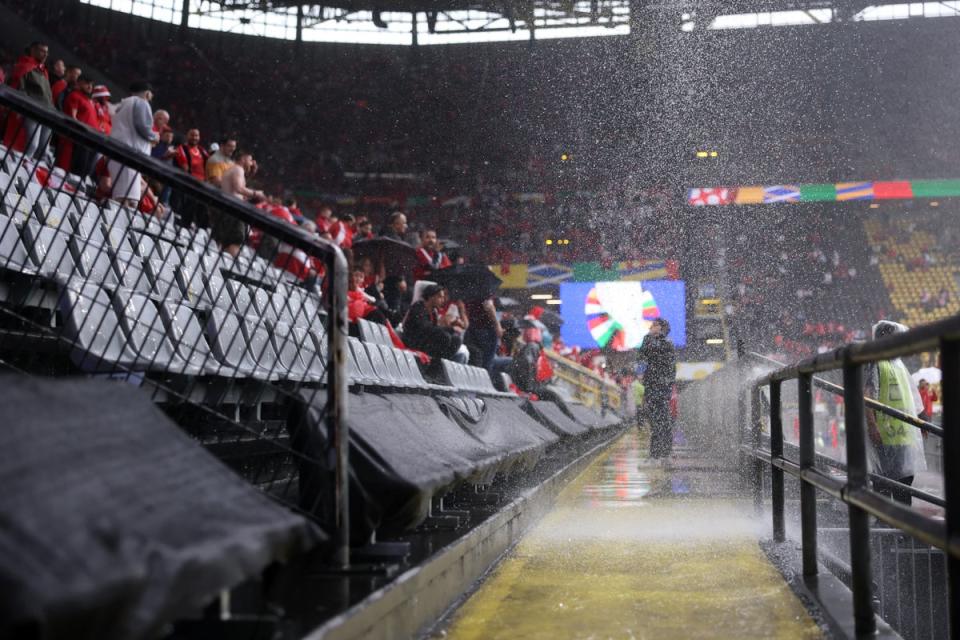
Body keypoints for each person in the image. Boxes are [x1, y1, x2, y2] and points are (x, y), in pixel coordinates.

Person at [864, 321, 926, 506]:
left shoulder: (898, 364)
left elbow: (911, 398)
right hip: (884, 435)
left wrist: (920, 421)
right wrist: (872, 426)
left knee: (904, 483)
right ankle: (884, 528)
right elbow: (867, 395)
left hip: (903, 435)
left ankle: (901, 529)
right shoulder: (876, 361)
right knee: (884, 484)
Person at [108, 82, 158, 208]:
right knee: (129, 200)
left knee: (120, 195)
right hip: (130, 155)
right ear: (147, 93)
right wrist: (154, 136)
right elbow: (142, 126)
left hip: (117, 151)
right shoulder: (141, 103)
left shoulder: (123, 103)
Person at [3, 42, 54, 160]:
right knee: (31, 145)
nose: (45, 55)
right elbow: (17, 87)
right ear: (33, 50)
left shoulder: (43, 71)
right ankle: (18, 168)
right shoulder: (25, 66)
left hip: (44, 112)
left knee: (42, 149)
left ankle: (28, 170)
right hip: (31, 110)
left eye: (47, 52)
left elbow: (47, 95)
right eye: (42, 51)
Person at [636, 318, 676, 461]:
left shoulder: (661, 343)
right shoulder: (655, 342)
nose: (651, 327)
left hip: (659, 387)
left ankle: (659, 454)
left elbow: (645, 356)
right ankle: (661, 453)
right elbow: (641, 359)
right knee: (658, 420)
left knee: (661, 420)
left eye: (655, 325)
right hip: (655, 386)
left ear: (661, 328)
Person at [213, 152, 264, 257]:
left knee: (224, 243)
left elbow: (239, 192)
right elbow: (239, 188)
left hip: (227, 210)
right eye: (250, 160)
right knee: (234, 243)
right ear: (243, 158)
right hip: (233, 211)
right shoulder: (238, 169)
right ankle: (228, 271)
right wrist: (256, 193)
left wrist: (251, 173)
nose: (251, 163)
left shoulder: (234, 170)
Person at [401, 283, 464, 366]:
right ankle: (433, 365)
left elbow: (434, 329)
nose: (443, 300)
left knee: (456, 340)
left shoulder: (433, 312)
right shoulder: (419, 307)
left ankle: (439, 365)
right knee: (444, 337)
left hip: (426, 341)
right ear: (431, 296)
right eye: (440, 297)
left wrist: (451, 328)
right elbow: (425, 328)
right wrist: (451, 329)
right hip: (414, 341)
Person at [56, 74, 98, 176]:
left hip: (89, 140)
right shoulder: (75, 96)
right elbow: (72, 117)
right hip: (78, 139)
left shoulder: (88, 100)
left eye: (91, 85)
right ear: (79, 83)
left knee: (83, 171)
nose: (90, 87)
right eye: (87, 83)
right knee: (72, 170)